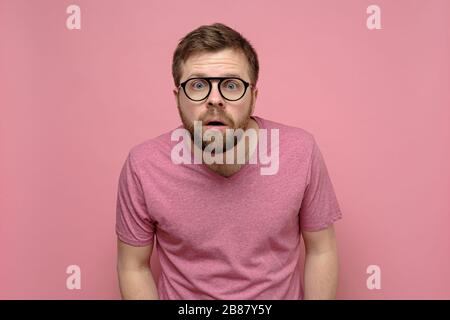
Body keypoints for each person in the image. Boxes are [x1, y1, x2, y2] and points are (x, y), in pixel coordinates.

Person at [116, 22, 342, 300]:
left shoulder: (300, 151)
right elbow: (133, 266)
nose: (215, 99)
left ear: (253, 96)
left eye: (231, 85)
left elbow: (322, 250)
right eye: (198, 85)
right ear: (177, 98)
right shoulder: (143, 165)